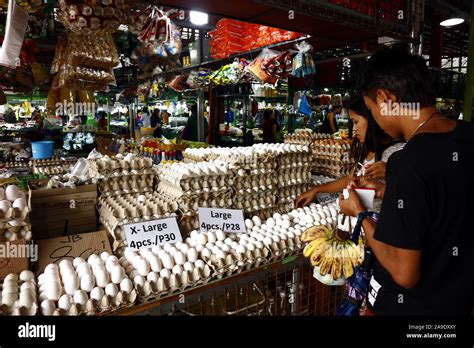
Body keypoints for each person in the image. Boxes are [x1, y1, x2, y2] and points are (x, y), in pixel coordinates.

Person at [339, 44, 474, 316]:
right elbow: (445, 205)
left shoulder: (407, 161)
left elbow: (404, 273)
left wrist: (361, 214)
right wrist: (390, 192)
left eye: (370, 108)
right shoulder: (468, 136)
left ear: (385, 97)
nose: (375, 119)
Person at [295, 96, 404, 208]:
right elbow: (349, 179)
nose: (354, 129)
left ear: (373, 120)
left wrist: (392, 173)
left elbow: (410, 194)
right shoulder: (367, 151)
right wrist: (317, 190)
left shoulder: (398, 153)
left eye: (356, 122)